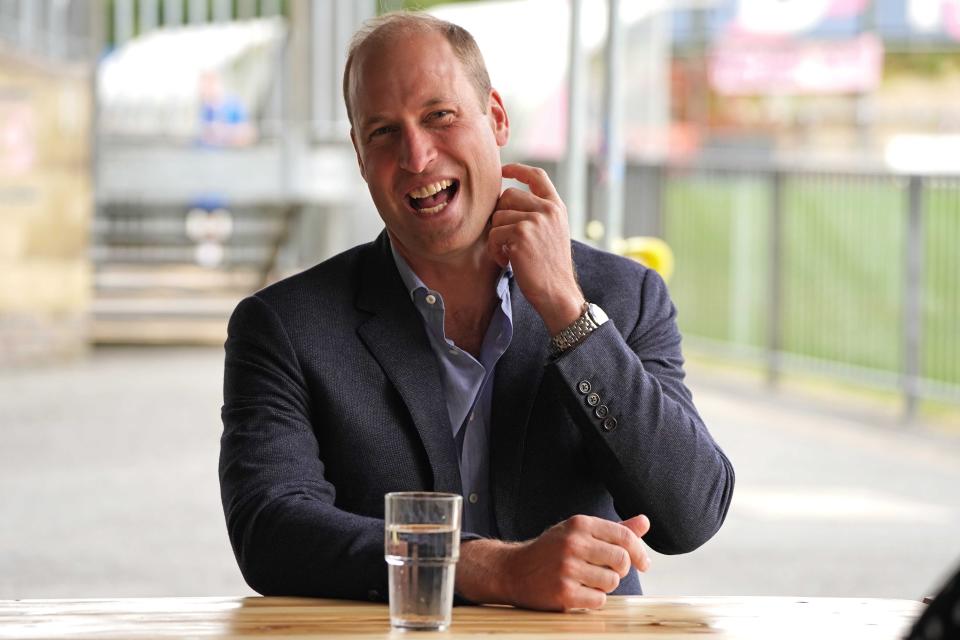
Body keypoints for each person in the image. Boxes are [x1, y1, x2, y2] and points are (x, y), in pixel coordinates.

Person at [219, 11, 734, 612]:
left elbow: (690, 515)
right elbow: (270, 529)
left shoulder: (622, 297)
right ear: (360, 155)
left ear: (495, 118)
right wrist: (491, 569)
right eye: (383, 132)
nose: (416, 156)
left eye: (440, 116)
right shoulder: (283, 325)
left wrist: (568, 313)